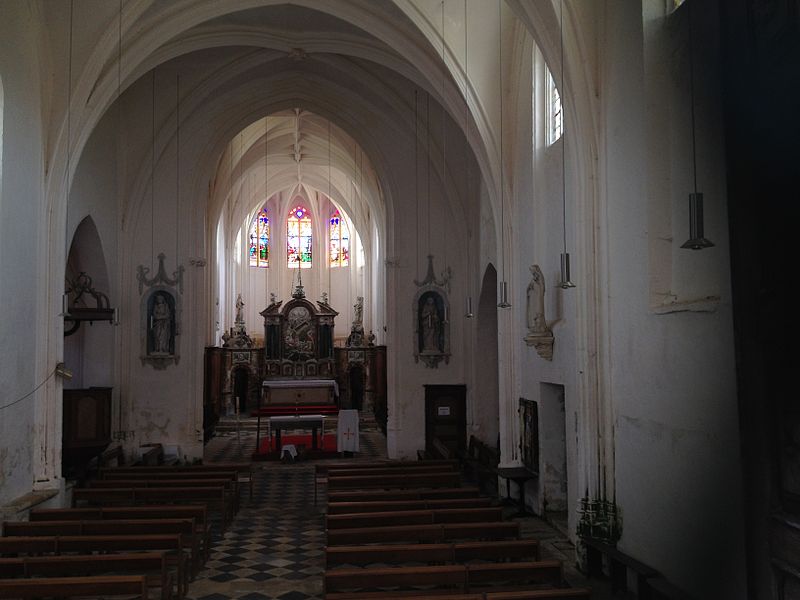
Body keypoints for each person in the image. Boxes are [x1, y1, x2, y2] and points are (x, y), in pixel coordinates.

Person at [527, 264, 547, 333]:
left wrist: (535, 284)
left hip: (538, 298)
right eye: (531, 271)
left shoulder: (540, 277)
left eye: (532, 270)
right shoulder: (534, 278)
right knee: (535, 313)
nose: (531, 272)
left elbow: (542, 289)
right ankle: (536, 326)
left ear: (535, 270)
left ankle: (540, 326)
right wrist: (529, 288)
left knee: (539, 311)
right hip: (534, 299)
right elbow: (529, 287)